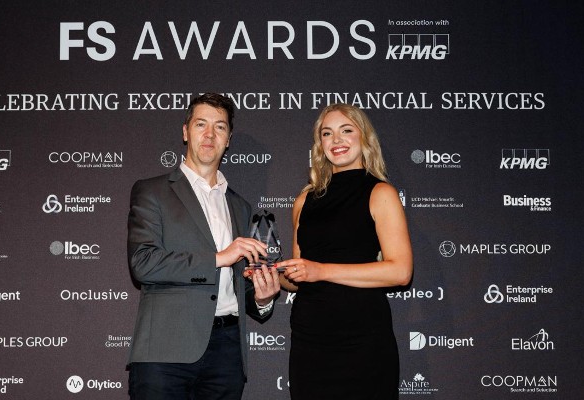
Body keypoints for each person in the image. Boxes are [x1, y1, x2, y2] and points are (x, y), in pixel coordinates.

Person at [126, 93, 281, 400]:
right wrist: (219, 258)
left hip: (227, 351)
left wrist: (262, 299)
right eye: (201, 124)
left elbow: (238, 282)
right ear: (186, 132)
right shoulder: (152, 191)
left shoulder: (240, 206)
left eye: (219, 127)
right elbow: (143, 263)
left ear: (228, 139)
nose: (210, 134)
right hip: (166, 349)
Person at [276, 103, 413, 399]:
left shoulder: (380, 193)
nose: (336, 140)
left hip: (362, 339)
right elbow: (299, 276)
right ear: (320, 144)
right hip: (310, 340)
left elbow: (401, 272)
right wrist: (276, 276)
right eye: (327, 133)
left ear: (364, 137)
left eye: (346, 130)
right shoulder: (304, 200)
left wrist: (321, 270)